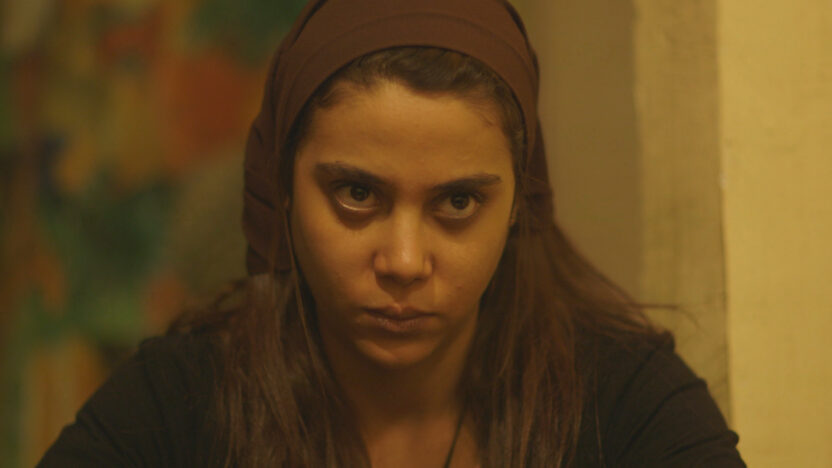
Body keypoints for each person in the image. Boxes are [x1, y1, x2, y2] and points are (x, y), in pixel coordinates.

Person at [39, 0, 745, 466]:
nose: (404, 261)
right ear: (282, 189)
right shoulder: (180, 406)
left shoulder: (623, 403)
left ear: (517, 203)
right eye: (357, 194)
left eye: (458, 202)